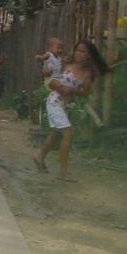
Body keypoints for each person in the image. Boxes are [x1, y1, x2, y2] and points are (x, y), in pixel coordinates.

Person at [33, 38, 109, 180]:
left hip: (64, 104)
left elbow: (85, 92)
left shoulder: (87, 74)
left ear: (89, 55)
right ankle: (63, 171)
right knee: (68, 132)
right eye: (77, 51)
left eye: (83, 52)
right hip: (54, 101)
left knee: (57, 133)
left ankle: (40, 156)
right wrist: (55, 82)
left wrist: (72, 90)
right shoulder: (65, 64)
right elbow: (49, 79)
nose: (79, 54)